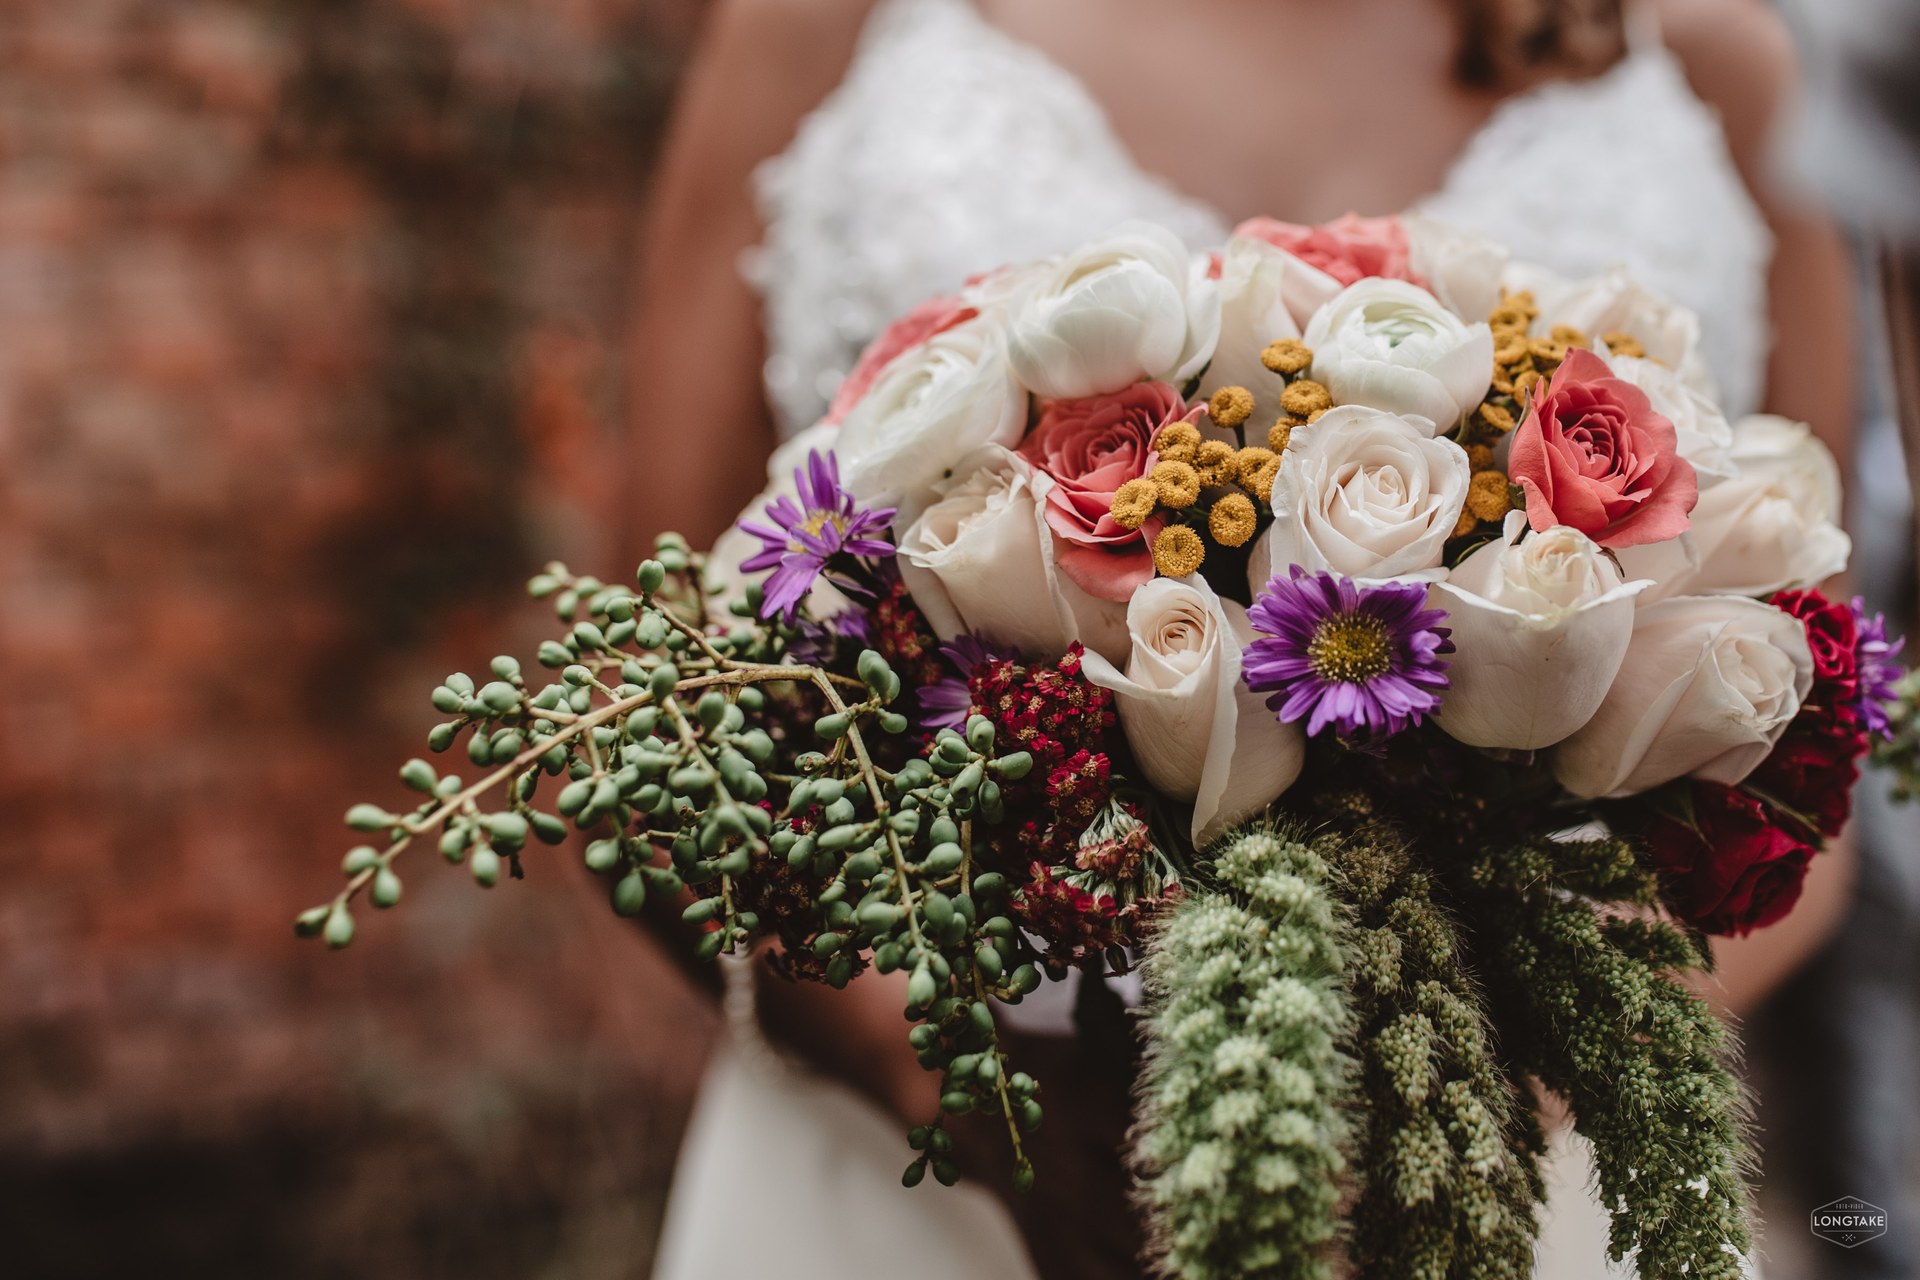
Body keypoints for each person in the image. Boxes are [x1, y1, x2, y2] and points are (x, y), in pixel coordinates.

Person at [624, 2, 1858, 1276]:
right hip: (938, 1168)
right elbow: (642, 692)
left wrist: (1526, 1082)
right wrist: (928, 1073)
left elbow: (1814, 718)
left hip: (1510, 1173)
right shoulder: (822, 21)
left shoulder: (1716, 53)